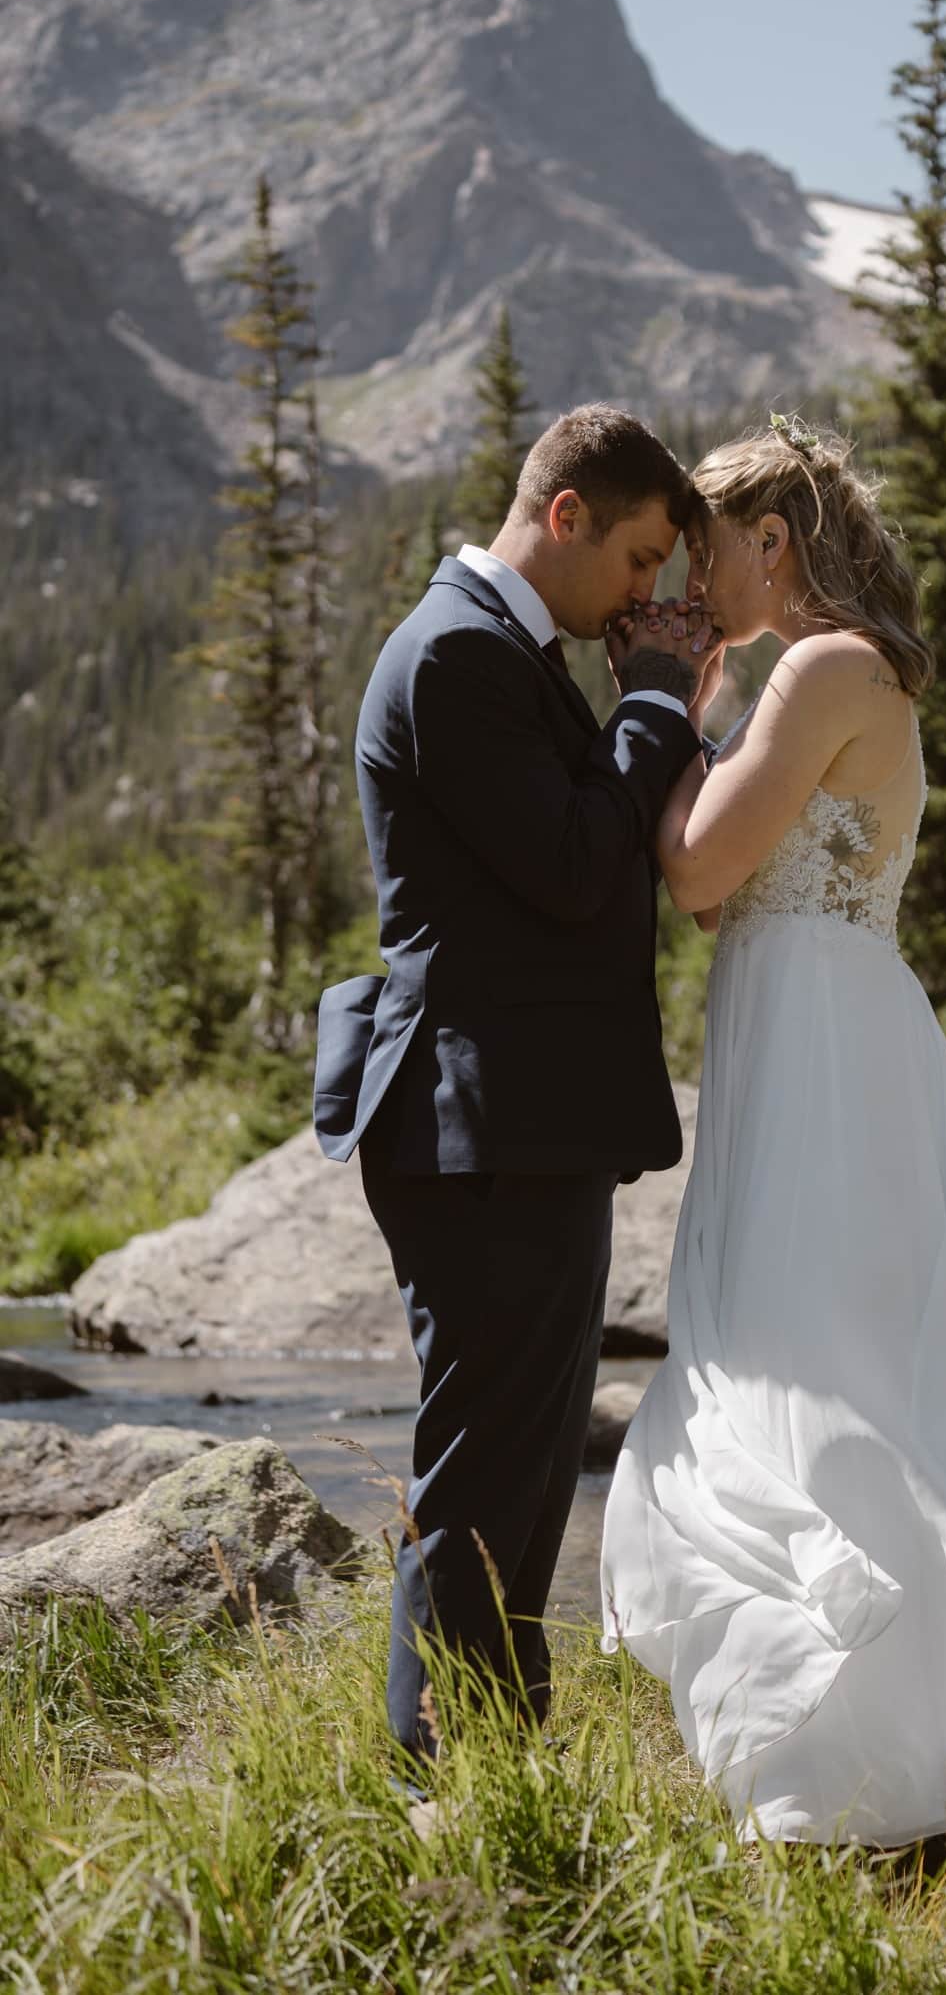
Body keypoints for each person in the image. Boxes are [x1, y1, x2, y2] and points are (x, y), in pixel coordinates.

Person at [598, 417, 946, 1848]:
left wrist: (672, 702)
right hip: (815, 1034)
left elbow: (703, 869)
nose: (699, 584)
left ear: (775, 542)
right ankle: (869, 1759)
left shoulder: (825, 667)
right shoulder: (837, 670)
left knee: (802, 1382)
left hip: (823, 1055)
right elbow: (719, 888)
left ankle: (849, 1767)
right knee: (808, 1377)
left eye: (709, 554)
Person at [313, 403, 723, 1786]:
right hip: (473, 1125)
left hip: (519, 1124)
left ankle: (486, 1767)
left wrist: (646, 711)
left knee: (525, 1463)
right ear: (566, 519)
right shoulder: (452, 657)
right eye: (640, 559)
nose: (648, 596)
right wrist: (658, 706)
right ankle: (444, 1783)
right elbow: (568, 861)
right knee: (485, 1468)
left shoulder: (497, 649)